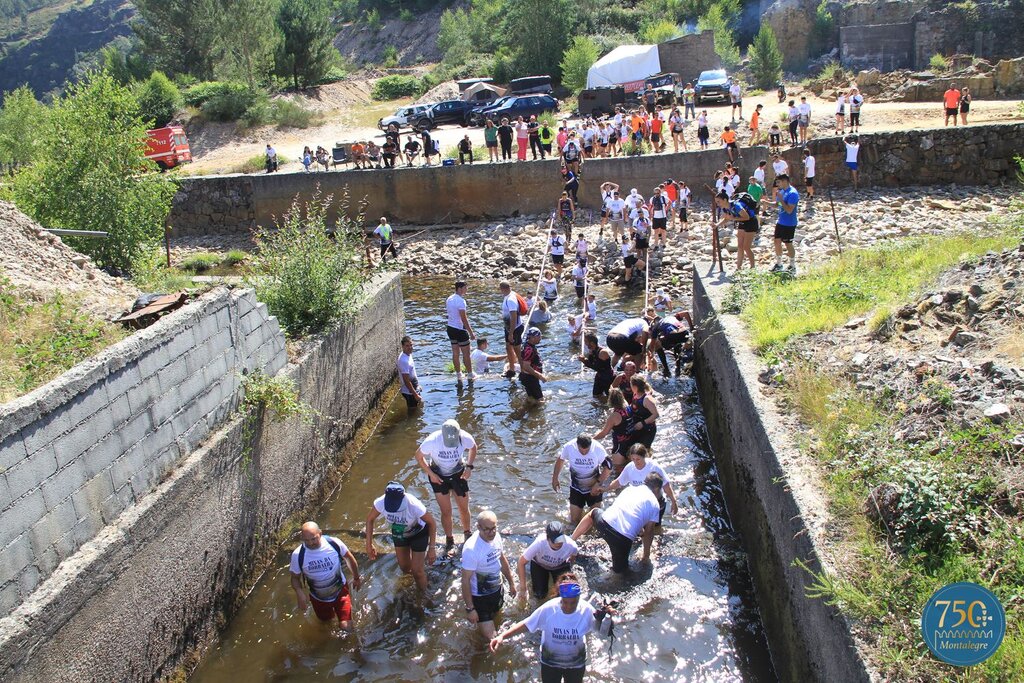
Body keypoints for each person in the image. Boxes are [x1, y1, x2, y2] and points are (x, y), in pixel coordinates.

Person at [491, 572, 613, 683]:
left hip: (576, 663)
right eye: (565, 602)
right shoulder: (549, 609)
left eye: (573, 603)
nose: (569, 606)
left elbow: (602, 633)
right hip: (550, 662)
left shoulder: (587, 610)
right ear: (560, 597)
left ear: (578, 599)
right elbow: (527, 624)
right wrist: (502, 636)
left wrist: (607, 618)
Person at [571, 473, 664, 574]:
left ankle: (572, 540)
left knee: (592, 513)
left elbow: (624, 510)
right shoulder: (655, 504)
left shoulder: (630, 489)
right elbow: (649, 532)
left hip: (604, 523)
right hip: (622, 540)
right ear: (657, 489)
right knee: (620, 574)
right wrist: (646, 556)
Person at [414, 419, 477, 550]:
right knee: (446, 511)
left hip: (458, 473)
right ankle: (449, 539)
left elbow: (473, 447)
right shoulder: (432, 440)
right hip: (438, 475)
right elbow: (418, 456)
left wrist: (469, 467)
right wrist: (431, 474)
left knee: (464, 507)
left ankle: (467, 534)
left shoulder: (465, 437)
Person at [365, 482, 437, 590]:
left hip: (418, 533)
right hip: (399, 533)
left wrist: (432, 548)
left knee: (417, 571)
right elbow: (370, 520)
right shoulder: (380, 502)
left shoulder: (413, 504)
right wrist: (369, 544)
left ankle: (423, 596)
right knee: (404, 567)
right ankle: (416, 578)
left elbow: (432, 523)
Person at [290, 521, 361, 629]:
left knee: (346, 626)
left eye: (313, 539)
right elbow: (295, 578)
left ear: (320, 533)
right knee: (326, 625)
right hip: (318, 597)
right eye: (306, 540)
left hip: (340, 591)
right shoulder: (298, 554)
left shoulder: (334, 543)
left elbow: (349, 559)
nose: (310, 543)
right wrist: (299, 593)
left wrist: (356, 578)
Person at [462, 510, 516, 638]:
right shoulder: (471, 549)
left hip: (497, 590)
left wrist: (511, 583)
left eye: (494, 528)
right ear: (478, 527)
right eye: (487, 529)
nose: (491, 533)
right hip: (480, 598)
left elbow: (502, 559)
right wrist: (470, 609)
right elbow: (465, 580)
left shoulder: (496, 537)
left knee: (498, 620)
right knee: (491, 639)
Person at [598, 444, 679, 523]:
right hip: (638, 503)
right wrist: (605, 489)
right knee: (638, 528)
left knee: (654, 527)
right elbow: (619, 481)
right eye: (633, 459)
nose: (636, 462)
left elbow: (666, 485)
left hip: (656, 502)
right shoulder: (630, 467)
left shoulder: (654, 467)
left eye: (638, 459)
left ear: (644, 456)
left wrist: (673, 501)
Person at [553, 434, 612, 525]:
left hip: (594, 487)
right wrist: (555, 478)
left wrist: (598, 483)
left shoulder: (597, 448)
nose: (584, 453)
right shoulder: (569, 447)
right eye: (581, 450)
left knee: (595, 520)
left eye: (587, 450)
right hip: (576, 488)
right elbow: (561, 459)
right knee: (574, 521)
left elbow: (608, 467)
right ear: (577, 445)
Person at [516, 522, 580, 600]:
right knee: (540, 595)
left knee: (564, 594)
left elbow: (573, 557)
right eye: (555, 541)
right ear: (547, 538)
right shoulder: (539, 544)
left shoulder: (571, 546)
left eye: (560, 540)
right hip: (539, 565)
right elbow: (521, 562)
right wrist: (523, 588)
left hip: (560, 566)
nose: (558, 543)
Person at [594, 387, 635, 472]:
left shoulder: (614, 416)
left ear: (610, 400)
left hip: (620, 446)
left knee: (617, 470)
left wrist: (591, 439)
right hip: (631, 441)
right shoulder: (628, 407)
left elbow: (604, 433)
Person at [647, 310, 693, 377]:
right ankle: (678, 366)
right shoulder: (672, 317)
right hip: (685, 334)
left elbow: (652, 345)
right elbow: (686, 313)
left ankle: (666, 369)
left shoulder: (656, 326)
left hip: (673, 336)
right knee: (677, 344)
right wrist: (691, 327)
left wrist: (651, 355)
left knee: (658, 344)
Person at [446, 280, 475, 380]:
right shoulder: (461, 301)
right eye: (465, 288)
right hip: (459, 329)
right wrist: (471, 332)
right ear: (460, 288)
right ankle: (470, 374)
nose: (466, 290)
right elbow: (464, 318)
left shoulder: (449, 298)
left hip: (450, 328)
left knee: (455, 352)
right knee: (466, 353)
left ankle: (459, 374)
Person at [772, 173, 799, 274]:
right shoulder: (782, 191)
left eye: (778, 182)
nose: (777, 184)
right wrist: (766, 203)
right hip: (781, 221)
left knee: (788, 243)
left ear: (784, 181)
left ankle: (792, 265)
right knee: (777, 241)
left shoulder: (793, 193)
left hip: (789, 223)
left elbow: (789, 210)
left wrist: (781, 199)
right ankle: (779, 263)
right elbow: (778, 205)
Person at [499, 281, 524, 377]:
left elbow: (514, 317)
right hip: (508, 328)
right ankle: (512, 370)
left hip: (515, 329)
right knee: (508, 347)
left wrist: (511, 333)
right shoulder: (508, 296)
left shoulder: (511, 299)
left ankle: (523, 371)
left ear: (503, 289)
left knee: (517, 350)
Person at [627, 376, 659, 448]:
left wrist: (643, 423)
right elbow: (634, 406)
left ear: (635, 387)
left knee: (643, 451)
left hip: (647, 429)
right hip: (637, 426)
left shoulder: (646, 399)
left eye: (631, 385)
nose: (630, 387)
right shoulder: (635, 394)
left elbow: (656, 414)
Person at [579, 332, 614, 398]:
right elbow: (590, 364)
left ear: (592, 343)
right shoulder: (592, 351)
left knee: (609, 397)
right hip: (599, 376)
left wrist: (584, 360)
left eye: (586, 342)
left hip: (607, 377)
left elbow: (597, 367)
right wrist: (585, 360)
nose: (585, 343)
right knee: (596, 396)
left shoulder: (602, 352)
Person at [520, 326, 547, 401]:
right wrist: (540, 376)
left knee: (532, 398)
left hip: (527, 376)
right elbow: (526, 366)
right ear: (532, 338)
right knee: (540, 400)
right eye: (539, 336)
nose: (540, 338)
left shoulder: (526, 345)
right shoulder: (529, 349)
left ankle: (529, 408)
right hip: (530, 378)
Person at [397, 335, 421, 408]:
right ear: (402, 346)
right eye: (407, 346)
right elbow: (406, 380)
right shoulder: (403, 360)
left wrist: (418, 386)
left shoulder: (408, 354)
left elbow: (412, 372)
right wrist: (415, 394)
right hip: (409, 393)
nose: (410, 347)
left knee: (418, 408)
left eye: (411, 345)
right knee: (413, 412)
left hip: (414, 389)